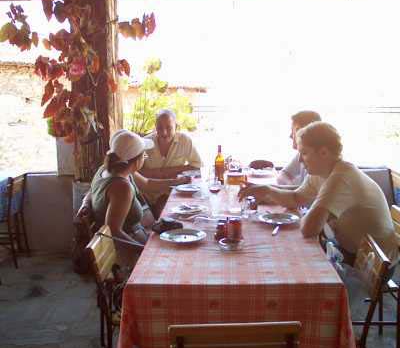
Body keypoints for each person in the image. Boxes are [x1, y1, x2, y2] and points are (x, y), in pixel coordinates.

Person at [239, 121, 399, 267]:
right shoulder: (320, 172)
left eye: (304, 153)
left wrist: (312, 212)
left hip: (372, 264)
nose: (300, 160)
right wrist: (267, 189)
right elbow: (295, 198)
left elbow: (309, 229)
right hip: (348, 249)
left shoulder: (342, 177)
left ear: (323, 152)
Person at [80, 129, 190, 265]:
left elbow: (148, 184)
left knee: (182, 230)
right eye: (144, 155)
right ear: (136, 160)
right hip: (126, 252)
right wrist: (145, 252)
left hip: (141, 235)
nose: (145, 157)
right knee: (183, 252)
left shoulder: (110, 169)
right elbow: (113, 231)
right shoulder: (121, 187)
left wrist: (178, 182)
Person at [140, 109, 202, 217]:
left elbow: (197, 167)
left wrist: (166, 171)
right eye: (160, 128)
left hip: (174, 194)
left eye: (169, 128)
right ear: (155, 127)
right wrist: (161, 173)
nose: (164, 133)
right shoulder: (145, 143)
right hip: (147, 198)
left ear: (176, 127)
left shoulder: (185, 141)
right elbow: (136, 172)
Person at [275, 110, 322, 186]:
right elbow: (283, 174)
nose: (290, 136)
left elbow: (305, 195)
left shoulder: (317, 162)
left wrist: (291, 190)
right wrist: (290, 186)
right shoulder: (302, 154)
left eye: (293, 130)